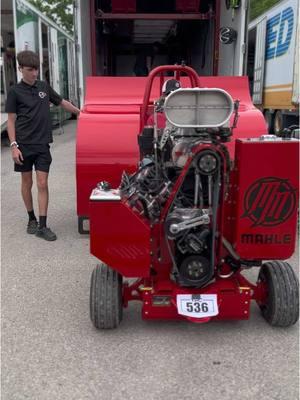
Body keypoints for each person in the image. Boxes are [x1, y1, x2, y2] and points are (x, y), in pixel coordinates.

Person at [5, 50, 80, 241]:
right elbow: (11, 121)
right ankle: (31, 219)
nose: (34, 73)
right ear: (20, 69)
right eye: (30, 69)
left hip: (42, 145)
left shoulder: (44, 87)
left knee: (42, 183)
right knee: (27, 182)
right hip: (23, 145)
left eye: (36, 69)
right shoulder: (14, 92)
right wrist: (14, 145)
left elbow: (62, 102)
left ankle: (43, 226)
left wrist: (82, 113)